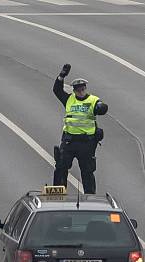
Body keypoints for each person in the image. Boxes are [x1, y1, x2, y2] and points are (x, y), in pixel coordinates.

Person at [53, 64, 108, 194]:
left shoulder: (93, 100)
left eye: (83, 89)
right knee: (60, 167)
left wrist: (101, 108)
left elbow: (102, 107)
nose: (81, 92)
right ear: (74, 90)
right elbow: (57, 90)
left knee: (87, 171)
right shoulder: (69, 100)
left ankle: (90, 198)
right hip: (69, 141)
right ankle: (57, 197)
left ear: (85, 89)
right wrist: (61, 76)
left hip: (86, 143)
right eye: (78, 90)